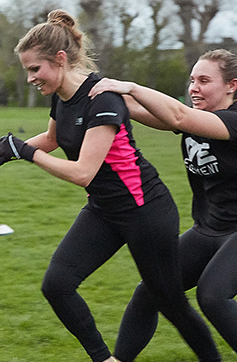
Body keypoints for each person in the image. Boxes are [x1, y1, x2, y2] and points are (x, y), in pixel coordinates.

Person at [0, 10, 221, 362]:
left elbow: (82, 173)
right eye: (27, 70)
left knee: (170, 303)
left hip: (145, 210)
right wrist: (4, 154)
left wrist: (26, 153)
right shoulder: (60, 95)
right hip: (104, 210)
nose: (31, 77)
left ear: (60, 59)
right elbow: (52, 138)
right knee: (57, 285)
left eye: (35, 69)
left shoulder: (102, 98)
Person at [85, 49, 237, 361]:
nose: (194, 87)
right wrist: (94, 90)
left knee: (213, 295)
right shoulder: (200, 118)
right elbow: (156, 115)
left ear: (232, 85)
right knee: (152, 289)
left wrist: (131, 86)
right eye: (192, 79)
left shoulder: (233, 121)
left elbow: (178, 116)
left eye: (204, 81)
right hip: (209, 229)